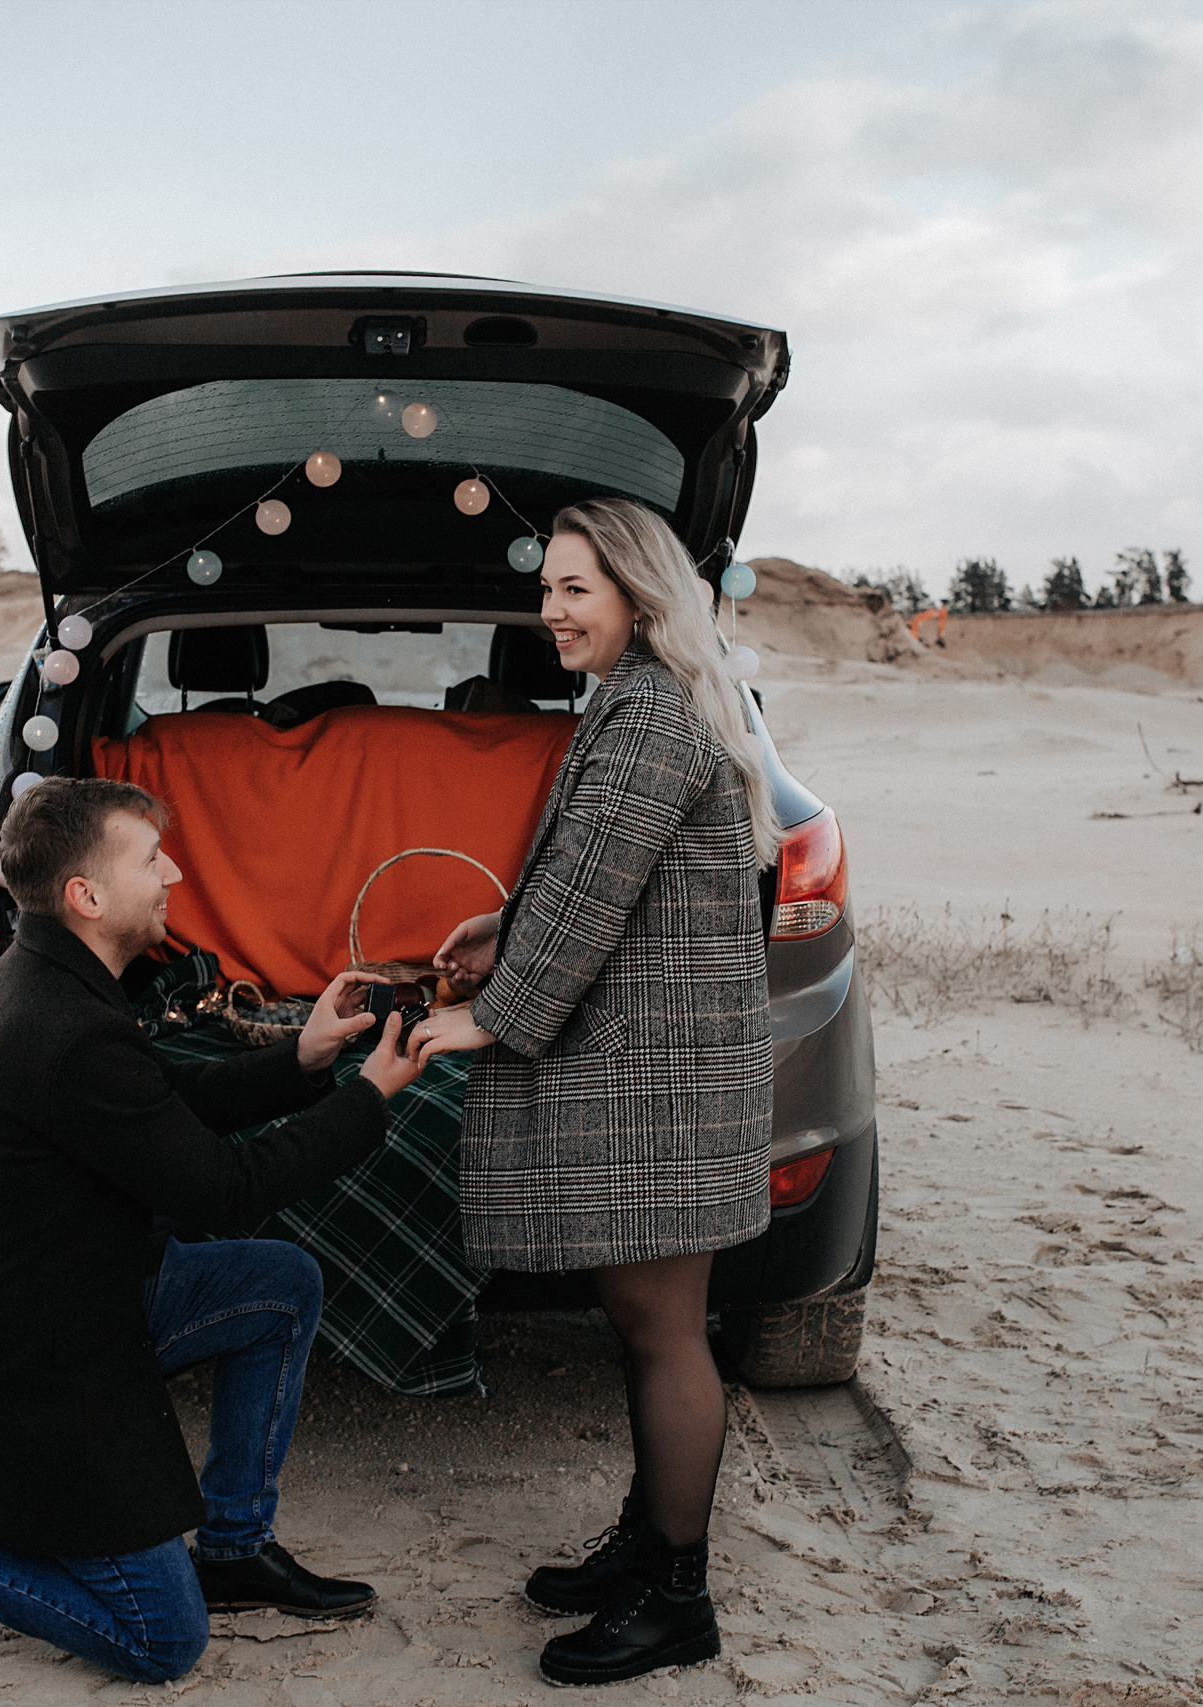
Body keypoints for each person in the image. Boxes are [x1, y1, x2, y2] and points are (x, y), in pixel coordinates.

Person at [0, 776, 427, 1680]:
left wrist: (305, 1054)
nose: (171, 870)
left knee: (280, 1284)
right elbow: (224, 1188)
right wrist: (369, 1095)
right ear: (85, 895)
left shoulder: (49, 979)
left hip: (89, 1301)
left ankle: (233, 1548)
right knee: (161, 1639)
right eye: (149, 857)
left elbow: (164, 1102)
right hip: (28, 1377)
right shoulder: (60, 1023)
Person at [411, 497, 779, 1686]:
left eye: (576, 588)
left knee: (665, 1334)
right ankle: (645, 1544)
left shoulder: (648, 719)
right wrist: (497, 924)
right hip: (657, 1078)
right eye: (547, 587)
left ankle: (677, 1595)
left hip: (655, 1087)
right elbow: (588, 877)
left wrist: (490, 1015)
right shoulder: (644, 706)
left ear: (636, 593)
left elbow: (587, 908)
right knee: (642, 1327)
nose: (551, 611)